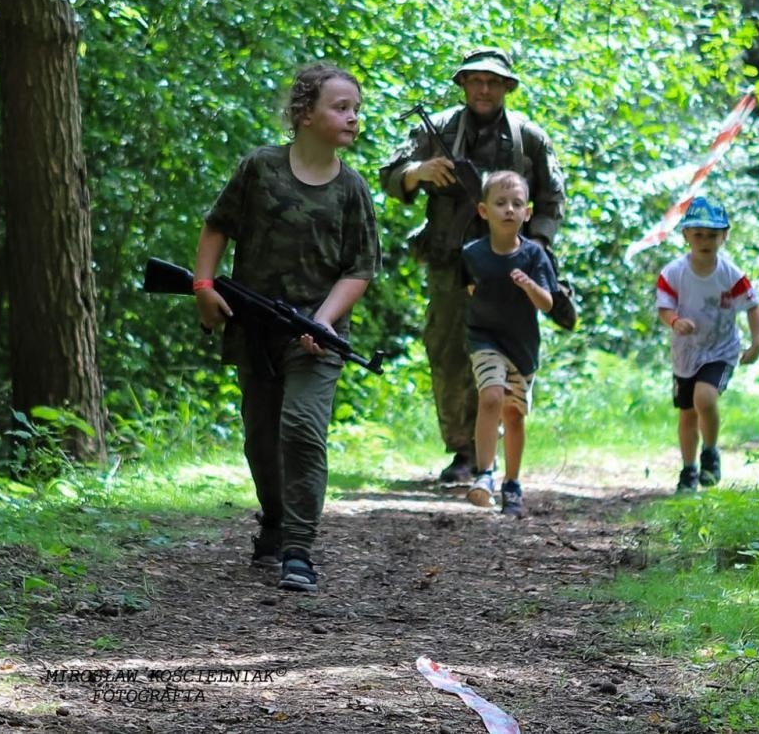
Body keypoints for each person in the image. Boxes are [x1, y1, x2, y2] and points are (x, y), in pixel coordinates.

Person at [193, 62, 380, 593]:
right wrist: (203, 288)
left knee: (301, 427)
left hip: (317, 338)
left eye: (356, 109)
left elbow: (360, 268)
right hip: (254, 327)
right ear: (304, 114)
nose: (353, 118)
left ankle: (298, 549)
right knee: (260, 439)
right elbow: (217, 227)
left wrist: (322, 321)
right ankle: (274, 521)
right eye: (340, 107)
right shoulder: (260, 168)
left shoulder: (352, 189)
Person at [379, 47, 567, 485]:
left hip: (510, 266)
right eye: (476, 80)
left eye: (493, 81)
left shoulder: (528, 138)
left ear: (507, 87)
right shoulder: (438, 129)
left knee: (508, 353)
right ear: (463, 84)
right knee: (448, 350)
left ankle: (494, 449)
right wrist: (419, 172)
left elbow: (552, 199)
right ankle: (465, 450)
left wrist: (535, 250)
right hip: (450, 264)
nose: (484, 89)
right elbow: (390, 173)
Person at [459, 170, 557, 518]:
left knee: (514, 416)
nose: (509, 210)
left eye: (517, 204)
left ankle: (512, 483)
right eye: (500, 203)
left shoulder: (534, 256)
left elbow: (547, 303)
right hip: (484, 338)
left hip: (522, 347)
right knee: (491, 396)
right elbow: (469, 290)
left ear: (528, 213)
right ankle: (484, 474)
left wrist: (529, 285)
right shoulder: (471, 254)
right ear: (484, 211)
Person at [655, 197, 759, 493]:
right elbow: (664, 307)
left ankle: (710, 452)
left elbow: (753, 306)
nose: (705, 241)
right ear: (686, 235)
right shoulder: (673, 273)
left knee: (704, 398)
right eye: (698, 234)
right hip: (686, 354)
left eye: (712, 235)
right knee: (687, 413)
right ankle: (689, 470)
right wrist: (675, 321)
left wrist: (756, 342)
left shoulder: (730, 274)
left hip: (721, 350)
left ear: (724, 236)